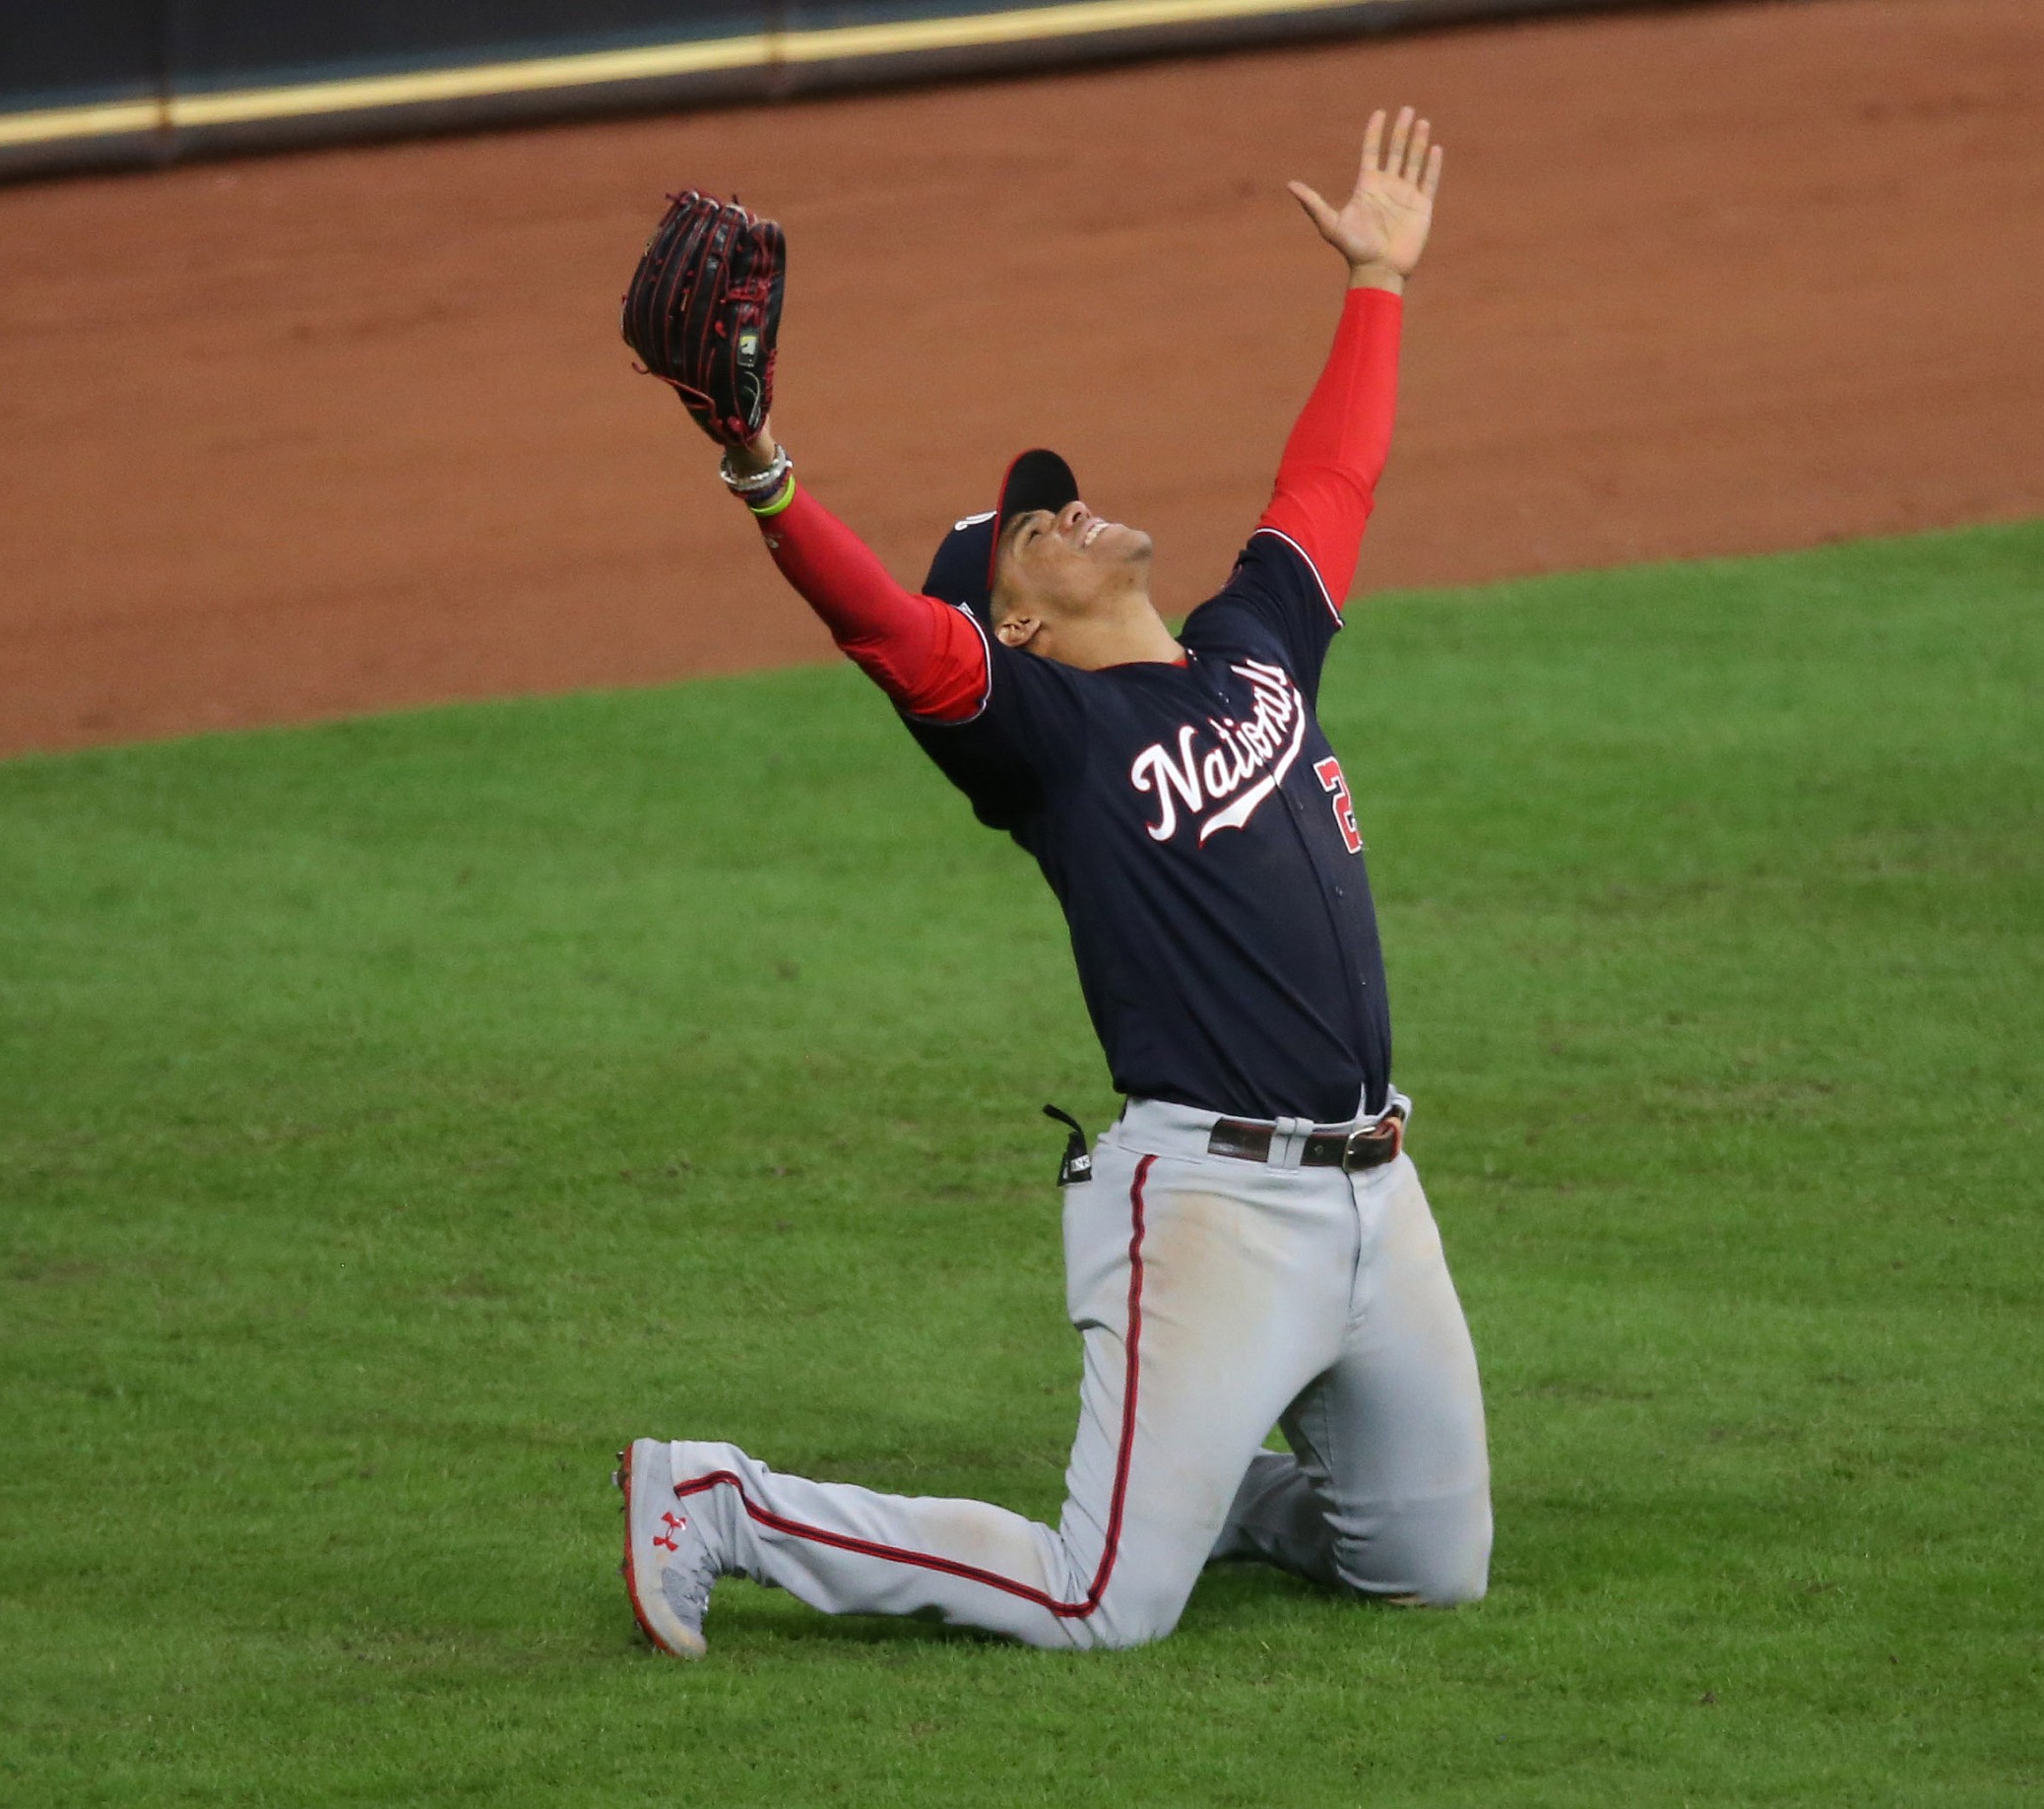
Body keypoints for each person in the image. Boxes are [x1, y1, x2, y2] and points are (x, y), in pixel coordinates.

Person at [619, 108, 1489, 1654]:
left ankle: (1198, 1478)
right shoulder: (1044, 736)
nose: (1069, 509)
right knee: (1100, 1600)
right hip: (1212, 1204)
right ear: (1010, 623)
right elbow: (884, 625)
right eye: (1035, 528)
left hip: (1379, 1191)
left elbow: (1332, 479)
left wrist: (1377, 285)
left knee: (1430, 1565)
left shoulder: (1251, 644)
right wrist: (762, 469)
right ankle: (724, 1501)